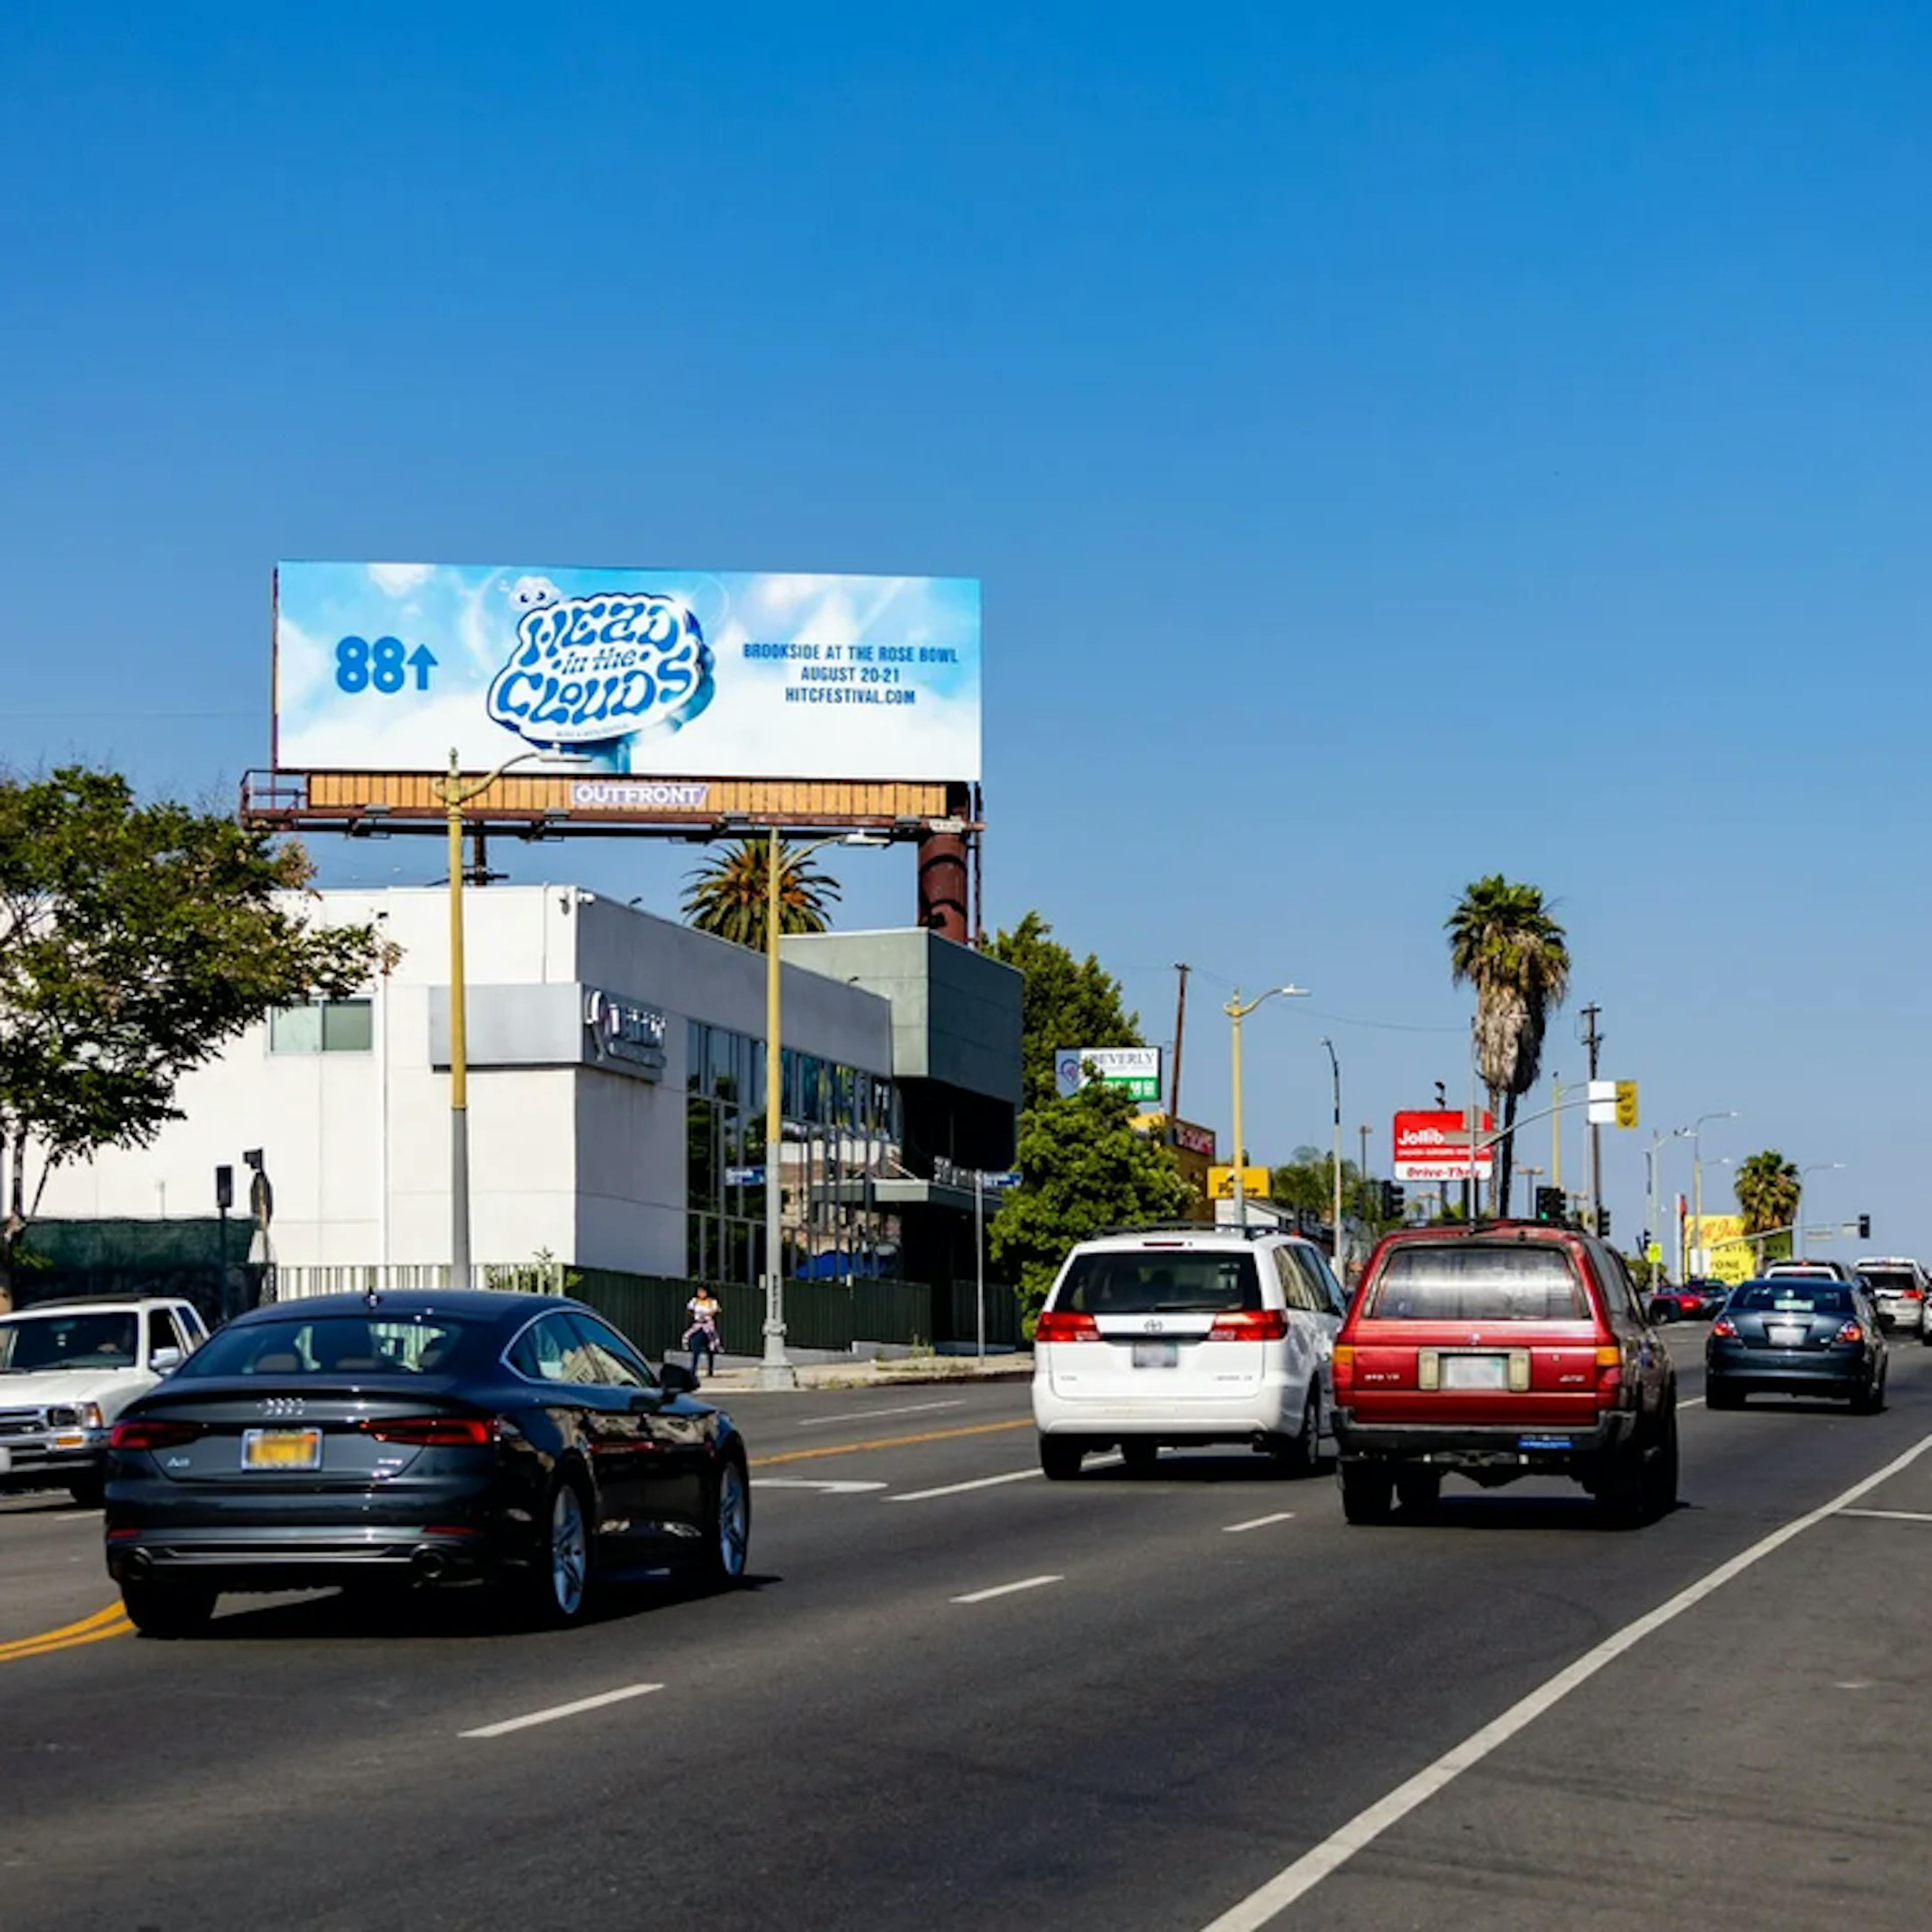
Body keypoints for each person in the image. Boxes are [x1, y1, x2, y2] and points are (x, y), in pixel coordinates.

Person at [683, 1287, 722, 1378]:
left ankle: (710, 1369)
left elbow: (715, 1312)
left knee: (710, 1348)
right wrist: (695, 1315)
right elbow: (690, 1310)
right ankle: (693, 1369)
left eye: (703, 1292)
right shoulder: (695, 1301)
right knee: (696, 1348)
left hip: (708, 1326)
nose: (701, 1294)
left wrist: (707, 1315)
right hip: (698, 1326)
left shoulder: (712, 1302)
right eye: (699, 1292)